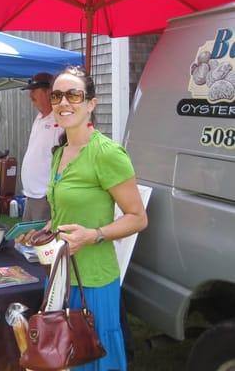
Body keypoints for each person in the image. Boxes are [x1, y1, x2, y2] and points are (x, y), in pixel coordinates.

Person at [46, 66, 147, 370]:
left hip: (94, 279)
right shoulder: (59, 152)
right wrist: (47, 228)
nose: (64, 102)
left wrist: (92, 235)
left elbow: (138, 218)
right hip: (61, 275)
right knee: (64, 352)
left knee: (93, 354)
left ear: (91, 103)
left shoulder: (107, 153)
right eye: (57, 95)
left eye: (74, 94)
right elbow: (65, 211)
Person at [20, 72, 64, 221]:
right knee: (25, 240)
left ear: (49, 92)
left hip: (44, 195)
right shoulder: (39, 117)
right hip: (31, 193)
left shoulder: (60, 121)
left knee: (40, 241)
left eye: (34, 91)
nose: (30, 96)